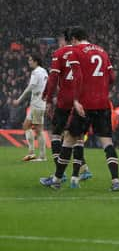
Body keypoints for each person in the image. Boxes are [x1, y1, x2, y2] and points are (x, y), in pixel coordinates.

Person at [40, 27, 119, 190]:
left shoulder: (75, 51)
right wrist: (101, 88)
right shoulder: (102, 51)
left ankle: (57, 179)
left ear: (74, 38)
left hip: (83, 103)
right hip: (102, 102)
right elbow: (112, 77)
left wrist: (76, 99)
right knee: (107, 142)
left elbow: (77, 76)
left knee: (69, 138)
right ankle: (115, 181)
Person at [42, 28, 92, 181]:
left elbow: (53, 78)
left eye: (59, 39)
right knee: (75, 136)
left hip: (66, 100)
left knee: (56, 134)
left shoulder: (61, 53)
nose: (58, 42)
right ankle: (83, 169)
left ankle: (60, 173)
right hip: (82, 99)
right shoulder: (85, 52)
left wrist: (48, 99)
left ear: (66, 39)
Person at [13, 53, 48, 162]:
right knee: (26, 126)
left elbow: (30, 88)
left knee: (38, 129)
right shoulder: (44, 71)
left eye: (30, 60)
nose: (29, 62)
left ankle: (42, 156)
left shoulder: (36, 72)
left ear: (35, 61)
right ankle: (31, 152)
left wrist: (19, 99)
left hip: (37, 103)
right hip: (38, 102)